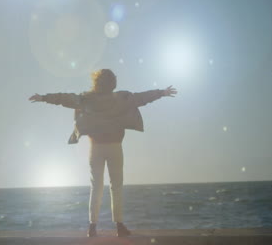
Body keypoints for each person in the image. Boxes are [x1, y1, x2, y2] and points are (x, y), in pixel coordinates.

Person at [29, 69, 177, 237]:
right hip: (115, 147)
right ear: (113, 82)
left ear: (96, 82)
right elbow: (142, 98)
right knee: (116, 187)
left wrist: (43, 98)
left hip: (96, 148)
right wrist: (162, 93)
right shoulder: (121, 98)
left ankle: (92, 227)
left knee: (96, 187)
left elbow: (65, 98)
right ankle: (119, 226)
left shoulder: (86, 99)